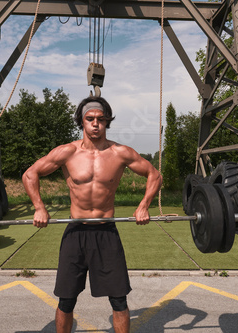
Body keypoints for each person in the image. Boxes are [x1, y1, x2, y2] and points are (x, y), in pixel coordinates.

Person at [22, 95, 162, 333]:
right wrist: (39, 207)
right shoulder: (67, 152)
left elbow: (155, 175)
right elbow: (29, 174)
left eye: (101, 119)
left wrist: (144, 205)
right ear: (82, 121)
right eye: (90, 119)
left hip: (106, 231)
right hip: (76, 231)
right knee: (66, 299)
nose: (96, 124)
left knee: (119, 299)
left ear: (107, 122)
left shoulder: (120, 153)